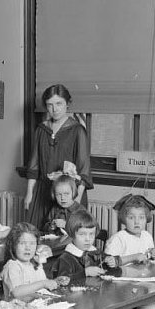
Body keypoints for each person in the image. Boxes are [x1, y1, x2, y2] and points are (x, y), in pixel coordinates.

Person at [24, 84, 92, 228]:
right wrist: (29, 193)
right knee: (37, 235)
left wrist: (76, 202)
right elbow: (33, 165)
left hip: (70, 195)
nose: (55, 109)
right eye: (50, 105)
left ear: (68, 104)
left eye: (59, 104)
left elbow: (83, 170)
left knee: (66, 239)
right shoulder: (41, 129)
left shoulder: (77, 130)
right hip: (42, 194)